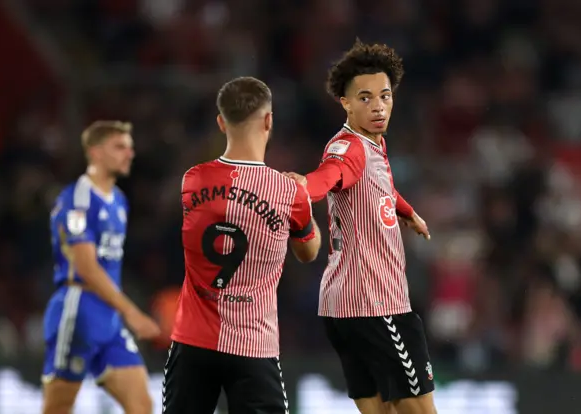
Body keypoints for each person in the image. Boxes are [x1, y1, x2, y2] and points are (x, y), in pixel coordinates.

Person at [283, 40, 437, 414]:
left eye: (385, 96)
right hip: (377, 304)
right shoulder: (350, 149)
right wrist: (305, 187)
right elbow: (330, 176)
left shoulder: (371, 144)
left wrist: (407, 212)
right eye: (365, 98)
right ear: (345, 103)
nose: (378, 106)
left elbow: (378, 186)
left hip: (342, 307)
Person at [163, 76, 322, 414]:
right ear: (268, 121)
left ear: (221, 123)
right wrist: (305, 204)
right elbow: (308, 252)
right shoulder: (288, 193)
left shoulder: (192, 180)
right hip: (254, 346)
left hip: (192, 343)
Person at [42, 121, 161, 414]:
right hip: (78, 308)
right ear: (95, 153)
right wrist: (131, 312)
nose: (129, 154)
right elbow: (86, 266)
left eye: (130, 147)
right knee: (58, 407)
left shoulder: (119, 200)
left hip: (108, 318)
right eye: (119, 147)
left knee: (141, 405)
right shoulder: (77, 199)